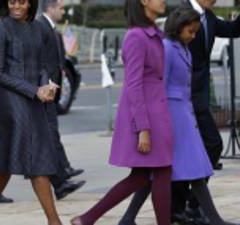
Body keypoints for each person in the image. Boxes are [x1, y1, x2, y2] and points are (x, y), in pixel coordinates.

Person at [119, 0, 240, 224]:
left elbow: (232, 30)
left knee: (187, 164)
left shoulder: (207, 18)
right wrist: (152, 122)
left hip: (189, 106)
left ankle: (184, 210)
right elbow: (157, 86)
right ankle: (182, 211)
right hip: (174, 113)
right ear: (180, 27)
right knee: (162, 170)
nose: (194, 35)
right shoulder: (174, 24)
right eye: (191, 31)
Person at [70, 0, 173, 224]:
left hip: (158, 112)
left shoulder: (155, 34)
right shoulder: (136, 36)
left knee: (151, 174)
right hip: (146, 116)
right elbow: (133, 85)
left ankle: (87, 219)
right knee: (149, 174)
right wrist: (143, 128)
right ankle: (87, 218)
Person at [0, 1, 63, 225]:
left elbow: (41, 66)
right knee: (19, 164)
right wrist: (34, 90)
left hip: (34, 102)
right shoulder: (2, 28)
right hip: (9, 104)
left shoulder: (38, 28)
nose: (16, 6)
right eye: (12, 1)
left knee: (6, 166)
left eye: (21, 1)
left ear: (30, 3)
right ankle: (54, 222)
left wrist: (46, 86)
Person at [38, 0, 85, 201]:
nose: (63, 11)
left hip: (51, 91)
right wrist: (46, 83)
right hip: (44, 91)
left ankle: (62, 177)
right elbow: (41, 60)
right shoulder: (41, 26)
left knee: (50, 135)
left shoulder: (50, 27)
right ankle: (61, 180)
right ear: (50, 8)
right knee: (46, 137)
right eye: (61, 8)